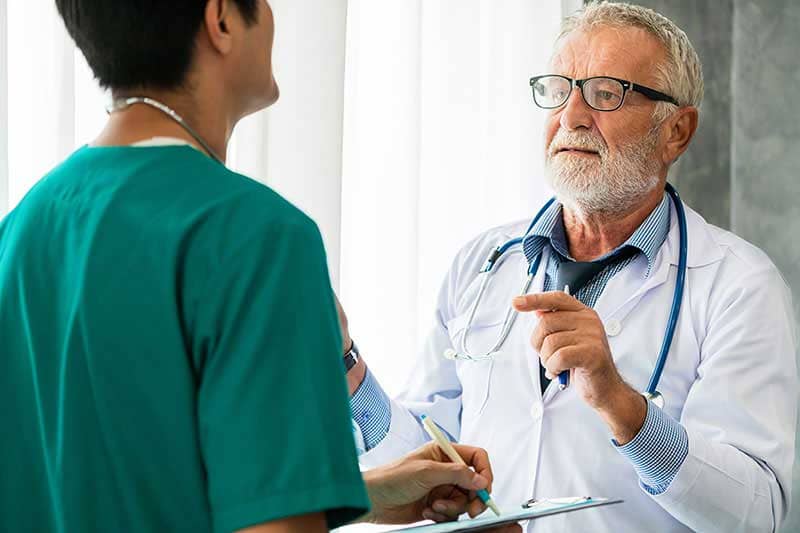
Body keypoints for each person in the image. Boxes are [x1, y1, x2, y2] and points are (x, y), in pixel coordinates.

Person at [0, 1, 521, 532]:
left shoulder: (23, 228)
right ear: (221, 19)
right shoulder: (256, 236)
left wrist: (359, 496)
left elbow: (121, 481)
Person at [341, 2, 797, 532]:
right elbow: (429, 465)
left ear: (676, 130)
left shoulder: (738, 285)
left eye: (605, 94)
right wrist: (347, 365)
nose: (571, 117)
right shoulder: (482, 263)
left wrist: (624, 408)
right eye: (559, 90)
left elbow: (757, 514)